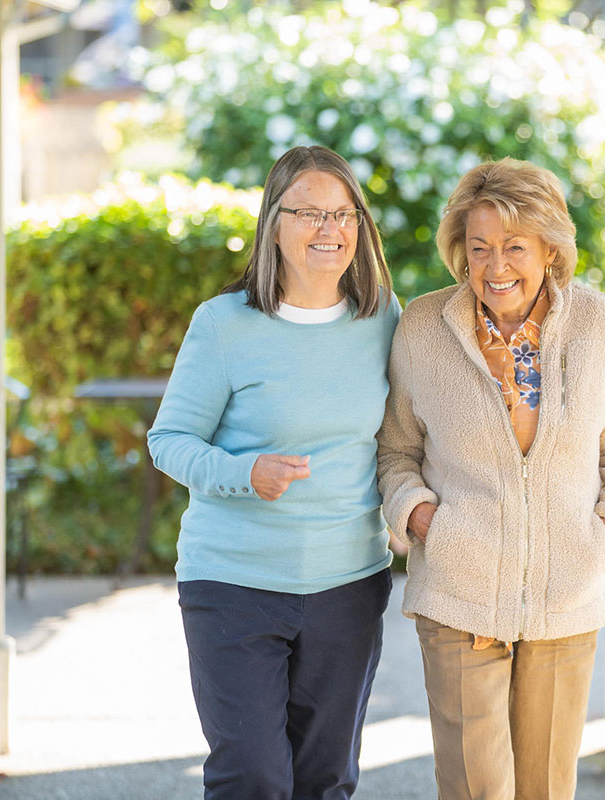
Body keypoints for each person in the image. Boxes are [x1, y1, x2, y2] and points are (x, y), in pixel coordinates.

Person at [377, 158, 605, 799]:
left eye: (513, 248)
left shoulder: (602, 326)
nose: (495, 267)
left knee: (546, 790)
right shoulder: (422, 329)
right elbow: (394, 453)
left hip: (566, 599)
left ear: (550, 249)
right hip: (458, 596)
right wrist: (424, 519)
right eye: (479, 249)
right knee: (477, 789)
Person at [147, 145, 400, 800]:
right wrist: (242, 472)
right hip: (233, 582)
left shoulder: (383, 322)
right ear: (274, 223)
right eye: (310, 212)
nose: (330, 229)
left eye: (344, 214)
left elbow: (406, 440)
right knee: (251, 777)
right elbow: (169, 439)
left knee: (325, 780)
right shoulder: (225, 324)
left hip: (349, 584)